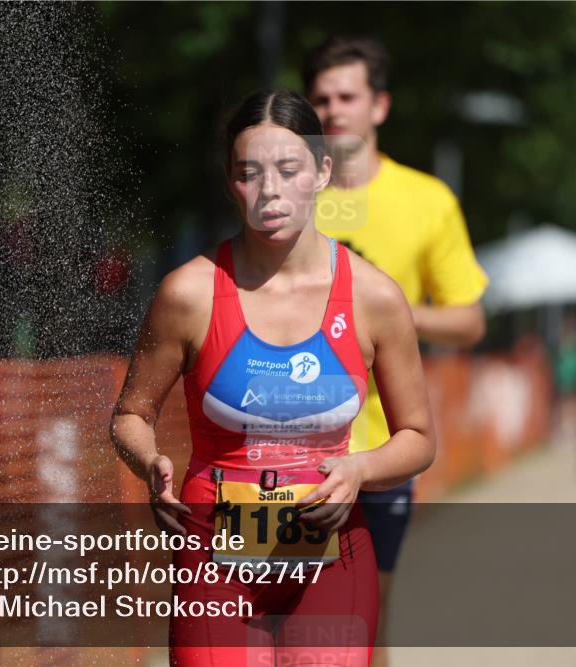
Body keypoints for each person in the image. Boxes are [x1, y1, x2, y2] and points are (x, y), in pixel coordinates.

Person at [111, 89, 434, 667]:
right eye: (248, 173)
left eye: (289, 169)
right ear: (230, 182)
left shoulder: (374, 297)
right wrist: (149, 464)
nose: (270, 191)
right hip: (215, 557)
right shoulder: (187, 294)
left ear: (322, 171)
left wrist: (359, 469)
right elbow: (130, 415)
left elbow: (418, 438)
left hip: (334, 559)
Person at [302, 35, 488, 665]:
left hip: (379, 449)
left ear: (379, 106)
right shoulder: (285, 195)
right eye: (321, 98)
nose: (333, 110)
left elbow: (469, 321)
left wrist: (389, 310)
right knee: (276, 617)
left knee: (365, 621)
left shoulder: (427, 200)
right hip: (280, 440)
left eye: (347, 96)